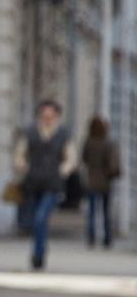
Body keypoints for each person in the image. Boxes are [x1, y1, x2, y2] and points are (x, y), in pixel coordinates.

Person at [14, 100, 78, 269]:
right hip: (33, 182)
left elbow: (71, 157)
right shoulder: (31, 132)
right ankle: (40, 249)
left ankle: (38, 253)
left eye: (50, 116)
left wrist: (62, 171)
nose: (47, 119)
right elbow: (20, 153)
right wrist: (23, 167)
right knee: (36, 220)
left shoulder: (63, 134)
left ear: (56, 116)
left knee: (41, 217)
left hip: (53, 184)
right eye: (44, 116)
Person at [81, 115, 121, 248]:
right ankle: (107, 238)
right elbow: (113, 162)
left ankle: (91, 237)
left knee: (92, 211)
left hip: (92, 179)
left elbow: (84, 158)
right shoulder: (108, 142)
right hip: (105, 181)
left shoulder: (88, 142)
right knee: (106, 212)